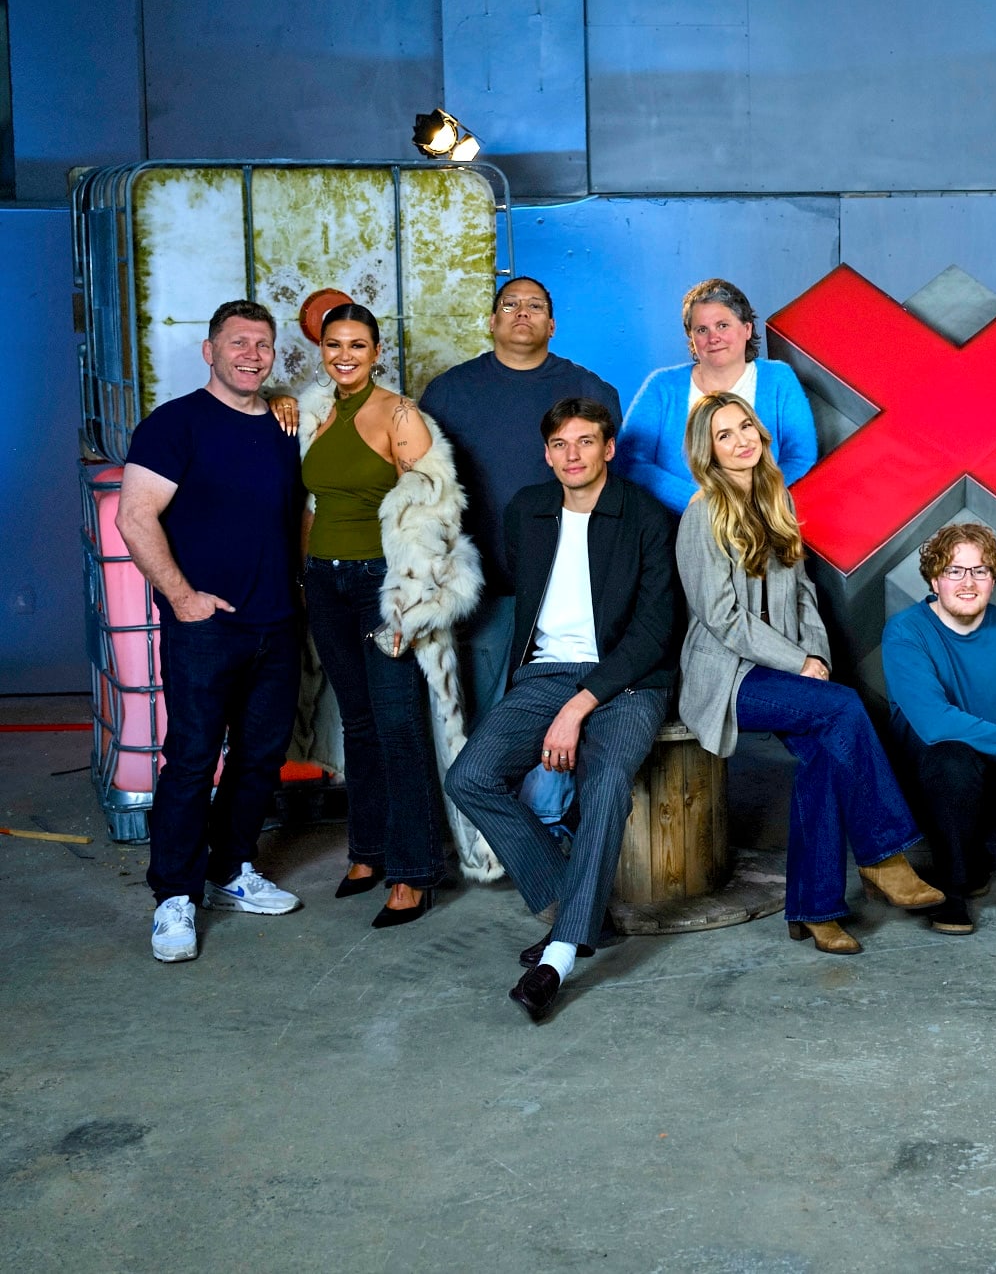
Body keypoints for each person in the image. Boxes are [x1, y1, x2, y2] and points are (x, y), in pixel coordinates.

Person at [676, 392, 942, 953]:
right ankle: (882, 856)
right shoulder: (703, 513)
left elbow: (804, 597)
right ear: (708, 452)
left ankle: (815, 910)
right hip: (727, 678)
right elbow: (721, 618)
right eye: (724, 435)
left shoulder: (776, 501)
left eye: (745, 426)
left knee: (824, 753)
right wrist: (797, 662)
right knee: (845, 708)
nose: (741, 440)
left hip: (784, 672)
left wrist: (815, 660)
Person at [444, 399, 676, 1024]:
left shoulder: (645, 515)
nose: (572, 455)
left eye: (586, 441)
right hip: (545, 673)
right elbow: (523, 587)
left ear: (609, 449)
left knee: (606, 783)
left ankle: (561, 954)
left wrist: (581, 704)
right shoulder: (528, 510)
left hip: (630, 680)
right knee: (470, 777)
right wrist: (562, 696)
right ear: (547, 454)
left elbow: (656, 628)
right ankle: (580, 908)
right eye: (560, 444)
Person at [118, 301, 306, 962]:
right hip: (205, 629)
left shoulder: (285, 425)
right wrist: (182, 597)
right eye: (238, 342)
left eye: (263, 344)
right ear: (210, 350)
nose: (251, 355)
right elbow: (135, 516)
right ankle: (174, 895)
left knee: (260, 758)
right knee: (194, 758)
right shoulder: (174, 425)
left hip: (277, 624)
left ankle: (230, 871)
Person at [297, 303, 482, 928]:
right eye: (334, 344)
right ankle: (369, 851)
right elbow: (312, 503)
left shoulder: (401, 416)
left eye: (357, 344)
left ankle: (414, 871)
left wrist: (411, 605)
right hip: (325, 582)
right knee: (358, 722)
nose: (344, 355)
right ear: (321, 351)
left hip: (381, 585)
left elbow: (435, 513)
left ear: (377, 352)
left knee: (398, 724)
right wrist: (304, 579)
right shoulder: (317, 412)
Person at [420, 276, 622, 831]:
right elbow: (423, 485)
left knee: (560, 710)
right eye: (510, 305)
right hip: (484, 586)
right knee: (486, 718)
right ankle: (490, 836)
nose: (522, 313)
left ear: (552, 324)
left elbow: (610, 485)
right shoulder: (449, 392)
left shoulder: (588, 388)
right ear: (492, 321)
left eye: (535, 306)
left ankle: (549, 827)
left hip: (566, 588)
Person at [880, 522, 996, 936]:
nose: (968, 582)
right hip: (930, 767)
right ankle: (952, 889)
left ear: (993, 579)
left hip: (993, 764)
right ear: (934, 580)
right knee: (953, 760)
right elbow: (933, 722)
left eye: (980, 571)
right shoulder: (906, 632)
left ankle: (967, 858)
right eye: (954, 571)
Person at [618, 278, 818, 515]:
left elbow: (801, 458)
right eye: (702, 330)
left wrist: (756, 504)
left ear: (747, 329)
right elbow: (629, 461)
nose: (713, 338)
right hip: (674, 523)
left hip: (760, 519)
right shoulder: (662, 386)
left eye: (723, 325)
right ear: (692, 338)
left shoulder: (778, 379)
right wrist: (699, 503)